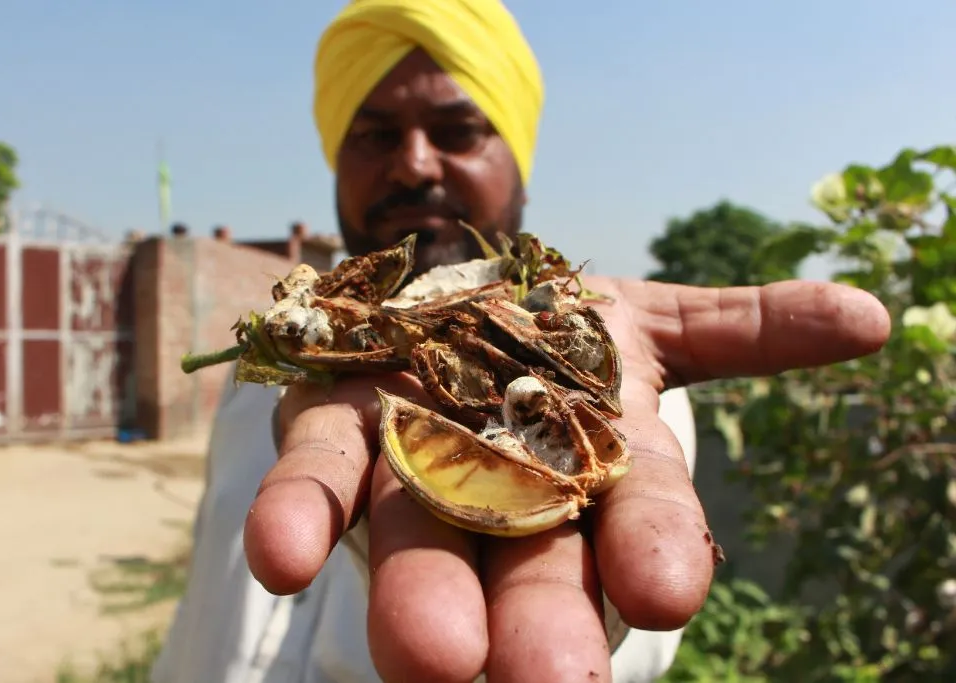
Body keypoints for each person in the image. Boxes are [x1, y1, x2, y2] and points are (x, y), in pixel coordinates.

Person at [150, 1, 891, 682]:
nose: (412, 163)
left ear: (518, 157)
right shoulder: (269, 383)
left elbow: (619, 622)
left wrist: (438, 514)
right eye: (375, 134)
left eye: (458, 131)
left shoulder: (629, 392)